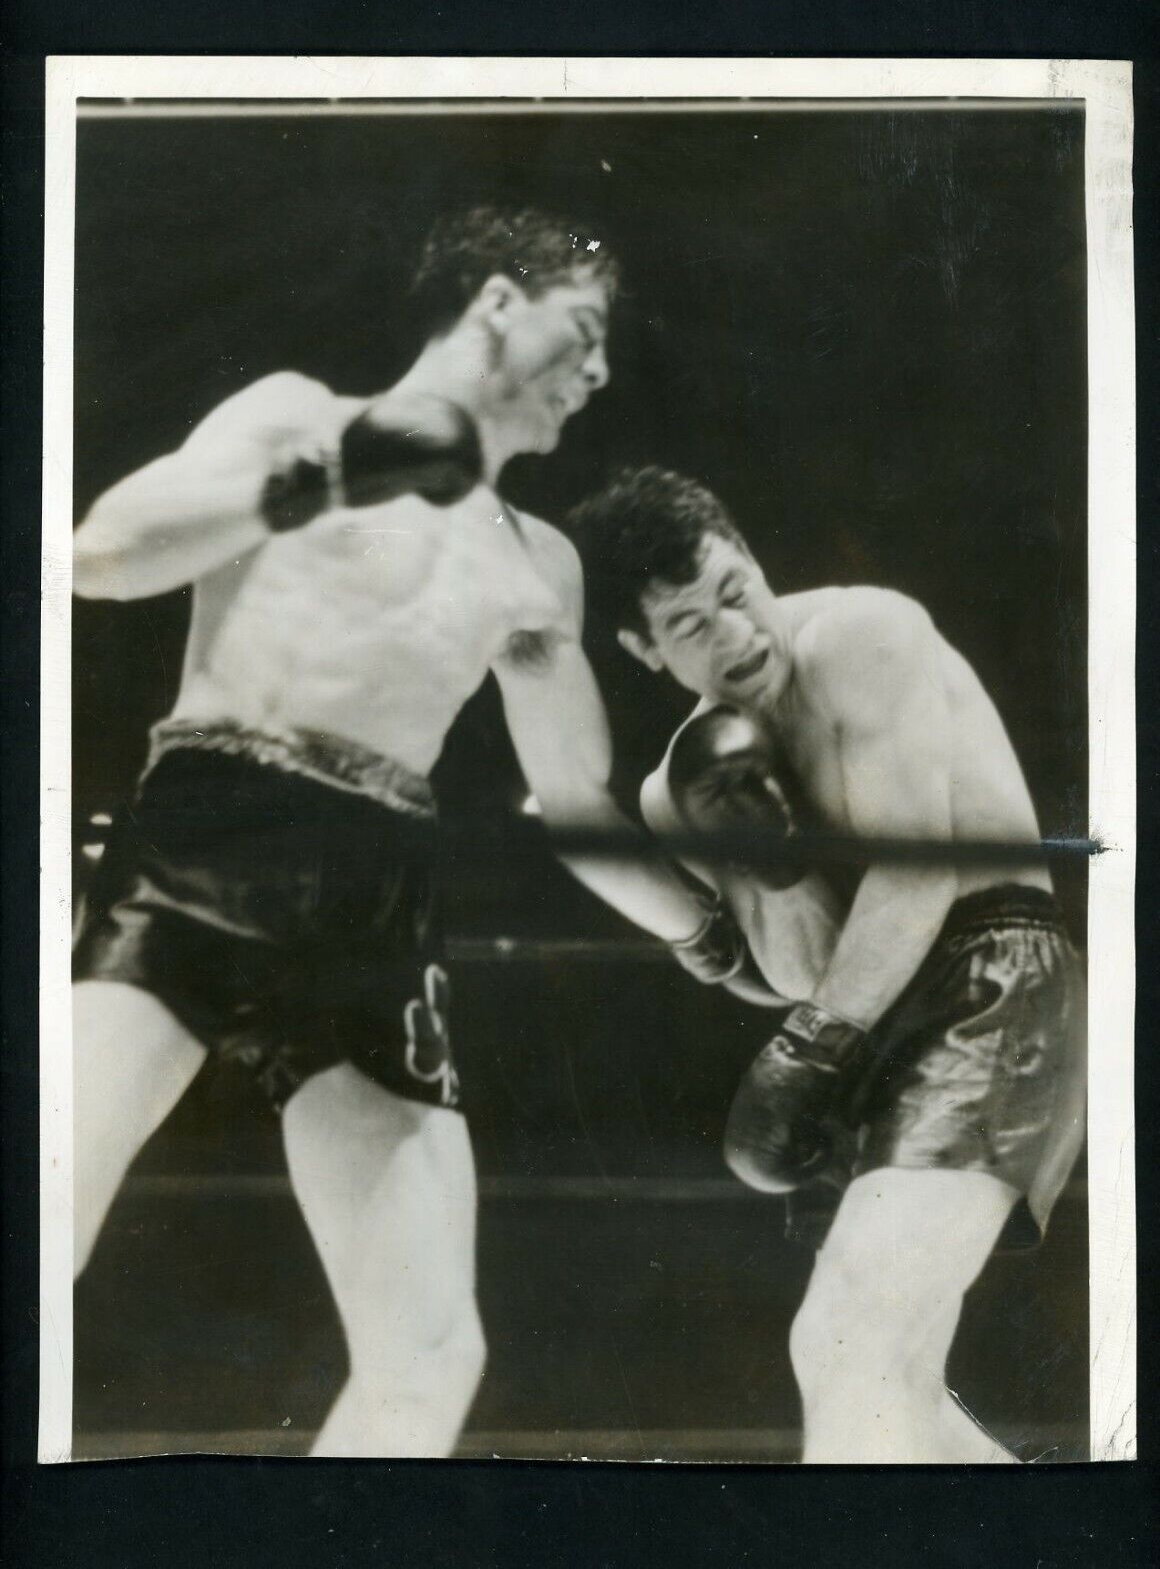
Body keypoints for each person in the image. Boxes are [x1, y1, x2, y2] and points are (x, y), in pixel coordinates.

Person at [70, 210, 737, 1458]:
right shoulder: (299, 415)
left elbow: (579, 802)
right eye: (581, 332)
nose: (596, 375)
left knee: (430, 1353)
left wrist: (707, 935)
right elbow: (99, 555)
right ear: (495, 301)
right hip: (210, 831)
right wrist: (331, 474)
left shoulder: (537, 561)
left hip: (375, 891)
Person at [567, 465, 1087, 1464]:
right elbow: (804, 969)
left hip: (994, 975)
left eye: (735, 589)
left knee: (845, 1341)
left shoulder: (866, 636)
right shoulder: (674, 791)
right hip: (869, 1018)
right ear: (641, 649)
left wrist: (811, 1047)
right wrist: (778, 861)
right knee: (883, 1375)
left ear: (754, 560)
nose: (737, 634)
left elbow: (916, 878)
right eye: (689, 624)